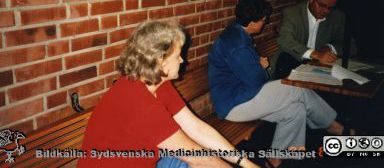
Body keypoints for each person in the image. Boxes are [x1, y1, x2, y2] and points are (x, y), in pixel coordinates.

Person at [78, 20, 259, 168]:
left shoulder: (155, 83)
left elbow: (196, 128)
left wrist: (246, 163)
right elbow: (197, 158)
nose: (182, 60)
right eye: (179, 54)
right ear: (160, 60)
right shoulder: (139, 103)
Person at [208, 0, 354, 168]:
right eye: (263, 20)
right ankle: (335, 127)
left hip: (243, 96)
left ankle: (275, 160)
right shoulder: (236, 44)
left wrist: (258, 65)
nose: (265, 23)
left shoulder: (237, 33)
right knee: (297, 89)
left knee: (295, 109)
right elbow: (256, 79)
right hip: (234, 104)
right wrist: (263, 67)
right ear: (252, 22)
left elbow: (249, 75)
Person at [274, 0, 345, 79]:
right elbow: (284, 40)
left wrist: (330, 47)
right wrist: (316, 54)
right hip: (294, 59)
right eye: (322, 5)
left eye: (330, 8)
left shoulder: (337, 17)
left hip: (319, 66)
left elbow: (350, 46)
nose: (326, 11)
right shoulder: (292, 13)